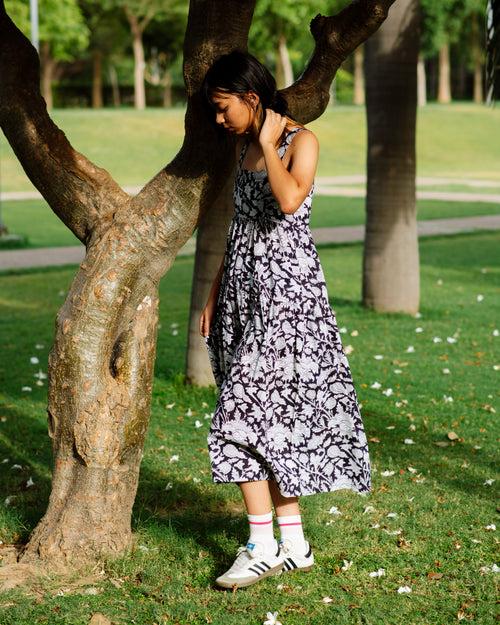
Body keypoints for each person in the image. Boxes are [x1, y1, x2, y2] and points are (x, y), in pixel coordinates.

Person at [199, 50, 371, 590]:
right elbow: (240, 223)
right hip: (243, 292)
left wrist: (271, 145)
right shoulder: (246, 147)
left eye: (225, 108)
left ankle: (260, 544)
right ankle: (293, 544)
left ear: (252, 99)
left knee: (235, 422)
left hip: (286, 301)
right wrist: (213, 289)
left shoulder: (300, 142)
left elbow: (290, 200)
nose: (219, 120)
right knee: (268, 419)